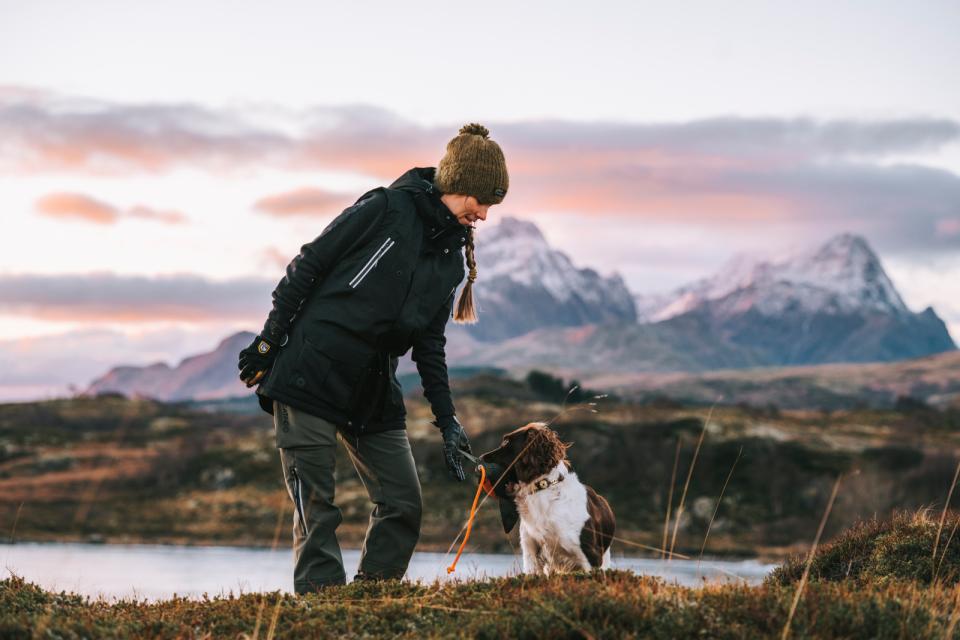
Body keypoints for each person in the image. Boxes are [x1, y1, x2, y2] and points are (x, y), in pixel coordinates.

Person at [236, 123, 509, 592]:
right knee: (316, 510)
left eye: (491, 206)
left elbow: (430, 345)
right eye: (480, 201)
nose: (484, 214)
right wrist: (268, 342)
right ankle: (322, 612)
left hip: (374, 385)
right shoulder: (385, 208)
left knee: (403, 503)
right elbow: (308, 265)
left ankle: (371, 601)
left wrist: (448, 421)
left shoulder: (450, 260)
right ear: (456, 183)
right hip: (311, 371)